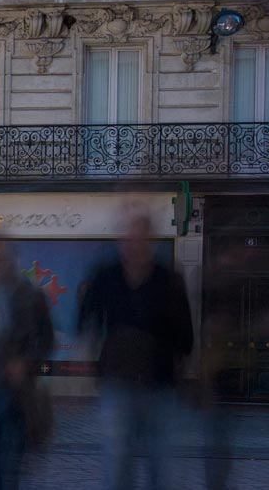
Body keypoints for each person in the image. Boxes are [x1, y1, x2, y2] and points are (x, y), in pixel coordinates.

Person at [77, 210, 193, 490]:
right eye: (129, 238)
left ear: (150, 241)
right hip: (118, 382)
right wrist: (88, 356)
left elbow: (185, 334)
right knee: (118, 462)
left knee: (160, 464)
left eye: (140, 238)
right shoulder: (107, 276)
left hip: (159, 384)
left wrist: (181, 369)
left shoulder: (168, 279)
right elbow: (86, 317)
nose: (134, 244)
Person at [0, 243, 53, 490]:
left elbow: (46, 340)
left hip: (14, 393)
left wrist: (25, 363)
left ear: (12, 262)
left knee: (8, 463)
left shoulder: (31, 297)